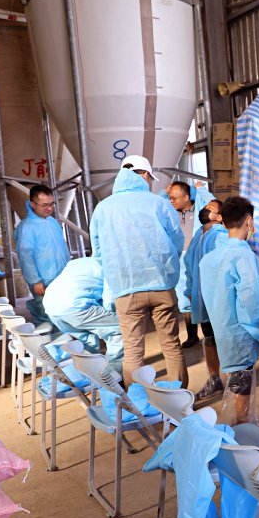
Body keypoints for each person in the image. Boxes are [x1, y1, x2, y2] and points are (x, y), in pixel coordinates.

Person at [89, 155, 186, 387]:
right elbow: (177, 241)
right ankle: (179, 404)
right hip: (161, 284)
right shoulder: (158, 203)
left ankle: (137, 405)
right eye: (150, 177)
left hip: (126, 288)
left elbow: (98, 252)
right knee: (171, 346)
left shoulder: (103, 208)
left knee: (132, 351)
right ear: (144, 175)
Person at [201, 196, 259, 425]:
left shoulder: (210, 258)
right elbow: (250, 302)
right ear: (249, 221)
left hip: (223, 328)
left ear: (223, 222)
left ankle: (245, 422)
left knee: (236, 382)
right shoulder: (244, 256)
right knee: (241, 385)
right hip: (241, 332)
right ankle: (244, 433)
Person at [42, 257, 124, 371]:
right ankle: (114, 376)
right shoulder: (110, 267)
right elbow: (109, 301)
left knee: (87, 342)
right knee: (119, 329)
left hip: (51, 306)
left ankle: (92, 373)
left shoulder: (79, 262)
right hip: (76, 307)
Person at [185, 200, 226, 399]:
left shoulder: (221, 235)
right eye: (206, 206)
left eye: (211, 208)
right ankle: (214, 377)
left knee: (222, 339)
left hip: (216, 297)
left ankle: (231, 381)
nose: (206, 209)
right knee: (208, 338)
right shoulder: (199, 235)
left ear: (220, 217)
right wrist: (189, 289)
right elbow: (189, 263)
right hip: (201, 297)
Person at [166, 180, 214, 348]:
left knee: (201, 295)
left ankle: (209, 332)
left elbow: (212, 203)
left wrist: (200, 189)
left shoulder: (200, 209)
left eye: (175, 198)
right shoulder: (169, 211)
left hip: (197, 257)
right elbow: (154, 201)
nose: (171, 200)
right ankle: (192, 335)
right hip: (179, 259)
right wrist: (166, 193)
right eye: (170, 197)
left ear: (187, 197)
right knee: (184, 299)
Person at [14, 184, 71, 326]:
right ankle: (48, 345)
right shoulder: (27, 227)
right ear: (33, 204)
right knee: (47, 315)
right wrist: (35, 281)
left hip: (61, 277)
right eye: (44, 205)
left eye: (52, 204)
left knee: (63, 314)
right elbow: (25, 256)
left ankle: (64, 344)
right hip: (44, 281)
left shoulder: (52, 222)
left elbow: (62, 248)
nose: (49, 208)